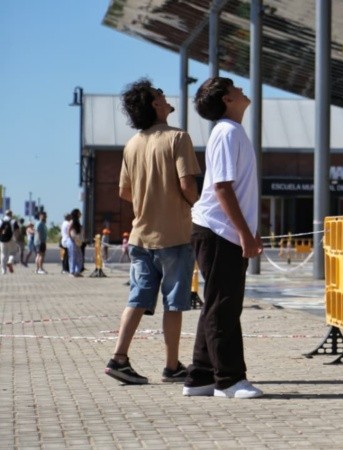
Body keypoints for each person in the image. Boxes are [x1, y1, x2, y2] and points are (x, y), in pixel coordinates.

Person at [104, 78, 201, 386]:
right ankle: (172, 366)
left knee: (138, 298)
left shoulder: (131, 145)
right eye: (159, 93)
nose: (164, 94)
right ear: (156, 105)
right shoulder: (178, 137)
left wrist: (151, 197)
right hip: (174, 235)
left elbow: (124, 191)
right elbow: (188, 186)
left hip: (140, 236)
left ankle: (119, 357)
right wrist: (196, 205)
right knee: (174, 303)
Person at [183, 77, 263, 399]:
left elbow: (235, 190)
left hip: (221, 230)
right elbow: (222, 187)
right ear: (226, 100)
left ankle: (200, 377)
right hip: (218, 231)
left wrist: (251, 230)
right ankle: (229, 380)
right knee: (224, 307)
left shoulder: (231, 132)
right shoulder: (227, 132)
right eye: (234, 87)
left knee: (216, 304)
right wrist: (244, 233)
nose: (242, 88)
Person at [66, 209, 84, 277]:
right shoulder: (72, 221)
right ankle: (72, 271)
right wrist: (71, 237)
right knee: (72, 257)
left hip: (77, 241)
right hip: (72, 241)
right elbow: (69, 230)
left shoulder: (78, 222)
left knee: (79, 257)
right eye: (79, 213)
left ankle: (77, 271)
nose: (80, 214)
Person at [0, 210, 19, 274]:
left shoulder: (1, 220)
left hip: (2, 240)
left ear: (5, 214)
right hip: (11, 239)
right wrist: (16, 238)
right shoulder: (13, 221)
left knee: (3, 254)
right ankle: (10, 261)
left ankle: (3, 270)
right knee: (13, 252)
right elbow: (17, 231)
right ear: (11, 214)